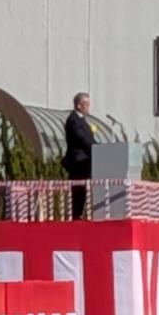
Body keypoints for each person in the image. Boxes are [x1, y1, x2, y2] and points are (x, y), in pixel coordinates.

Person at [61, 92, 95, 220]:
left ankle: (79, 214)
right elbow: (82, 139)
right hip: (79, 162)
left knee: (83, 190)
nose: (88, 107)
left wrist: (100, 148)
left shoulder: (82, 121)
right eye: (86, 104)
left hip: (86, 161)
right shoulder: (73, 121)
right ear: (79, 105)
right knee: (78, 190)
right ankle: (75, 215)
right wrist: (95, 147)